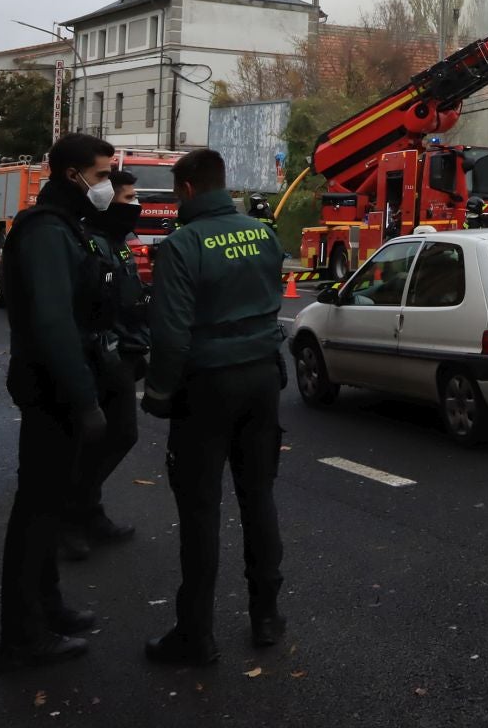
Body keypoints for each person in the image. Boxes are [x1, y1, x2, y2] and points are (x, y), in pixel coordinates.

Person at [141, 148, 287, 667]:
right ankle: (267, 616)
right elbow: (273, 300)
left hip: (207, 385)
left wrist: (158, 394)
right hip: (263, 378)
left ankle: (195, 633)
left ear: (186, 189)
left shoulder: (182, 245)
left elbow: (171, 332)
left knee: (201, 510)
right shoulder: (262, 232)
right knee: (259, 498)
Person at [0, 133, 117, 672]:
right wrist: (84, 397)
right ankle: (22, 636)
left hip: (58, 383)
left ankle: (48, 608)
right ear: (73, 175)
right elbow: (52, 322)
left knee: (46, 506)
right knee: (37, 513)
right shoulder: (46, 232)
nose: (107, 183)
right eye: (102, 173)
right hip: (51, 387)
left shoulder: (68, 226)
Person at [60, 169, 148, 561]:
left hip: (122, 355)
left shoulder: (120, 243)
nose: (136, 205)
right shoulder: (87, 242)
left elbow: (132, 298)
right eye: (128, 198)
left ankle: (87, 510)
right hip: (95, 358)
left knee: (122, 435)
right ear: (106, 201)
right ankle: (71, 519)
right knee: (91, 439)